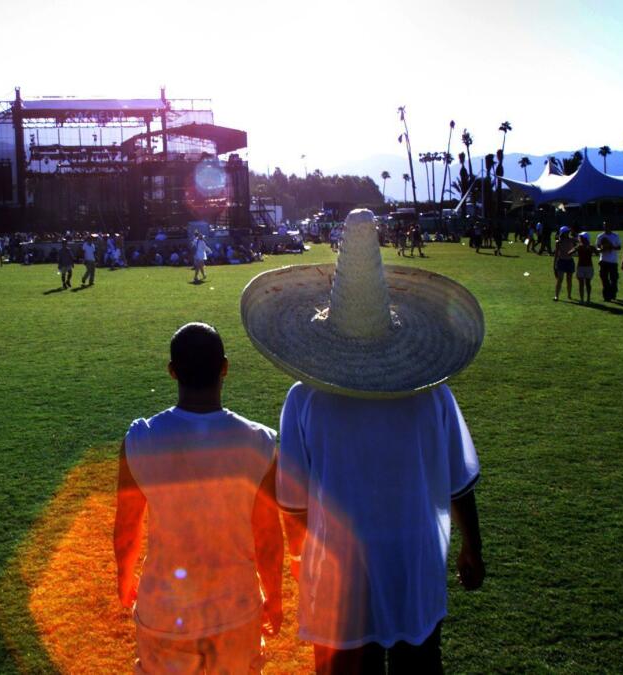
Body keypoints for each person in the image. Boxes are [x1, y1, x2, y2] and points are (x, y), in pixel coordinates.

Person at [241, 210, 485, 675]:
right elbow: (459, 483)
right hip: (415, 560)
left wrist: (305, 566)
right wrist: (473, 546)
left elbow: (293, 504)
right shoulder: (432, 392)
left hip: (339, 570)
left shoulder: (305, 399)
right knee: (420, 663)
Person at [115, 323, 282, 673]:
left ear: (172, 372)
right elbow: (268, 537)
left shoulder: (142, 438)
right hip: (235, 608)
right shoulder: (259, 443)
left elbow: (127, 528)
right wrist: (274, 597)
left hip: (164, 608)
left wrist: (125, 580)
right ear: (225, 367)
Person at [595, 221, 621, 302]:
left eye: (608, 226)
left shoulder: (615, 236)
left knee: (614, 279)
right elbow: (597, 247)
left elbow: (619, 247)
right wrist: (602, 249)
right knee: (604, 279)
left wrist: (611, 246)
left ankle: (613, 293)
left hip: (613, 261)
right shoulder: (600, 236)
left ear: (611, 226)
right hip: (603, 261)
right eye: (605, 226)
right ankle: (606, 296)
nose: (606, 227)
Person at [553, 226, 578, 301]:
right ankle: (556, 296)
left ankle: (569, 295)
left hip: (569, 261)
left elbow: (579, 241)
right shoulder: (558, 242)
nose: (568, 233)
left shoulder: (571, 240)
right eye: (567, 232)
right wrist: (554, 265)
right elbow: (556, 254)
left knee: (569, 279)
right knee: (560, 279)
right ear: (563, 233)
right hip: (561, 261)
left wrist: (574, 233)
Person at [574, 232, 596, 304]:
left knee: (584, 284)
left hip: (582, 267)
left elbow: (569, 252)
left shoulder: (580, 247)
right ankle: (586, 299)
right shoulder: (589, 247)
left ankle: (584, 299)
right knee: (586, 283)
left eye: (581, 238)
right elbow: (597, 252)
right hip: (587, 267)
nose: (580, 239)